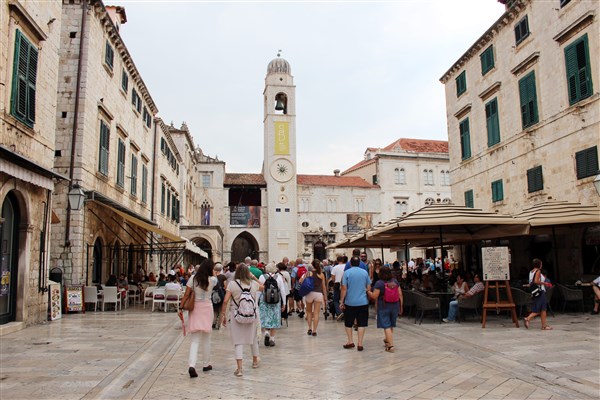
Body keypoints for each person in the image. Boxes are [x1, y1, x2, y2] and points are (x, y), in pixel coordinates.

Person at [220, 263, 263, 377]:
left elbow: (225, 301)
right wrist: (253, 277)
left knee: (238, 341)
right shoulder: (253, 284)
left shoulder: (232, 284)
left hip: (236, 314)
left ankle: (239, 369)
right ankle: (255, 361)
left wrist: (223, 314)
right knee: (253, 337)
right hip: (251, 314)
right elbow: (263, 286)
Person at [185, 259, 217, 378]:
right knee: (207, 338)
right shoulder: (213, 280)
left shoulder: (193, 279)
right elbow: (214, 279)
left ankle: (192, 365)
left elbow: (186, 294)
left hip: (195, 308)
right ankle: (206, 363)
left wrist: (181, 307)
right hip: (207, 308)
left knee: (195, 340)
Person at [367, 266, 403, 353]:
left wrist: (368, 291)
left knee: (386, 325)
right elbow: (400, 295)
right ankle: (387, 340)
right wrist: (401, 307)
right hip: (395, 305)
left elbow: (374, 296)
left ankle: (391, 346)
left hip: (384, 306)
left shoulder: (379, 283)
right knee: (391, 325)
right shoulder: (395, 281)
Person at [340, 256, 371, 351]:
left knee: (348, 323)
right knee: (361, 323)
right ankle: (360, 343)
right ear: (359, 263)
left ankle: (350, 341)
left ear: (350, 263)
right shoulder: (365, 272)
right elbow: (369, 287)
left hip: (350, 302)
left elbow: (344, 288)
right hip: (363, 302)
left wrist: (341, 301)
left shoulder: (347, 273)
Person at [258, 263, 286, 346]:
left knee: (265, 317)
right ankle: (272, 339)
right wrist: (284, 303)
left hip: (264, 300)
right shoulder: (278, 277)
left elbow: (259, 290)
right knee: (274, 318)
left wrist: (256, 301)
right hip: (275, 301)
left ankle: (266, 332)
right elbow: (282, 291)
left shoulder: (262, 277)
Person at [299, 259, 328, 336]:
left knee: (309, 312)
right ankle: (315, 330)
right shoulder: (322, 274)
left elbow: (300, 281)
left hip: (309, 293)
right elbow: (324, 287)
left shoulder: (308, 273)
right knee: (316, 313)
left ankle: (309, 328)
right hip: (318, 294)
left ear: (312, 265)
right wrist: (325, 297)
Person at [523, 259, 552, 330]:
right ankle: (528, 318)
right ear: (539, 265)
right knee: (540, 309)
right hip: (540, 292)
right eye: (541, 264)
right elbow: (536, 281)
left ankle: (544, 325)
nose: (541, 265)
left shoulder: (531, 272)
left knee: (542, 309)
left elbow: (531, 282)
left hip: (535, 292)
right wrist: (545, 283)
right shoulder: (538, 271)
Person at [330, 255, 346, 320]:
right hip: (345, 284)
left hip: (337, 284)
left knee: (336, 300)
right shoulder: (346, 266)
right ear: (343, 260)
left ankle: (339, 312)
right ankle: (345, 312)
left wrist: (334, 282)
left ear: (337, 260)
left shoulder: (335, 267)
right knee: (344, 299)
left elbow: (333, 278)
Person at [212, 263, 227, 329]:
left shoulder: (212, 277)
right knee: (221, 310)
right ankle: (219, 325)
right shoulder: (223, 277)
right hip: (221, 295)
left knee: (214, 310)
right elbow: (225, 286)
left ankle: (213, 322)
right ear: (221, 269)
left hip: (213, 295)